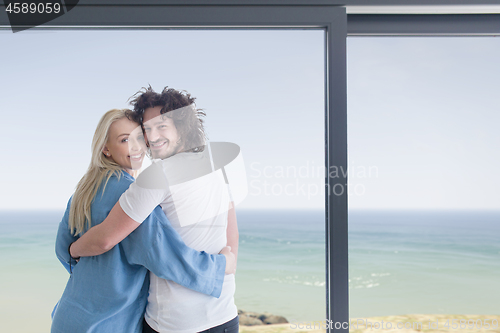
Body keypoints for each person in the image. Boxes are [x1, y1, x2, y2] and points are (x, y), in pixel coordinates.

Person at [70, 87, 240, 333]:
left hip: (175, 324)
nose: (152, 136)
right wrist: (227, 263)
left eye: (162, 126)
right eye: (146, 129)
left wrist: (72, 249)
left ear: (182, 128)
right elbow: (231, 234)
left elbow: (106, 239)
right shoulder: (215, 168)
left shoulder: (159, 175)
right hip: (225, 317)